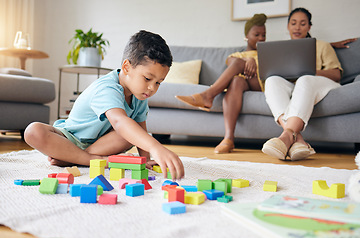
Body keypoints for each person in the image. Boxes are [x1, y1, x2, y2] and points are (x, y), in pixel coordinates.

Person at [24, 30, 184, 180]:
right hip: (70, 138)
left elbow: (140, 126)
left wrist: (146, 158)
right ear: (127, 67)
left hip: (100, 145)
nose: (152, 88)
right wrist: (156, 146)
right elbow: (119, 121)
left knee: (132, 131)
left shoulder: (140, 94)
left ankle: (73, 157)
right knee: (33, 131)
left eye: (158, 83)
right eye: (148, 79)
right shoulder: (107, 87)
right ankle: (89, 159)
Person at [176, 13, 267, 154]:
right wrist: (248, 60)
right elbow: (233, 63)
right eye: (257, 34)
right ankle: (228, 139)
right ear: (246, 36)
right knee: (236, 80)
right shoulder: (237, 56)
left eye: (263, 35)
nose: (261, 38)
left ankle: (208, 95)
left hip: (259, 86)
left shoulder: (267, 54)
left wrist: (254, 61)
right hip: (242, 84)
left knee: (238, 71)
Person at [261, 7, 344, 161]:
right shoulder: (280, 49)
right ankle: (297, 140)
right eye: (293, 23)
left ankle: (286, 136)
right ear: (288, 26)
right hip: (294, 87)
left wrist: (309, 71)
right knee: (271, 80)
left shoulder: (322, 45)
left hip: (320, 84)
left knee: (305, 79)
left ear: (309, 27)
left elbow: (336, 74)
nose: (297, 27)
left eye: (302, 23)